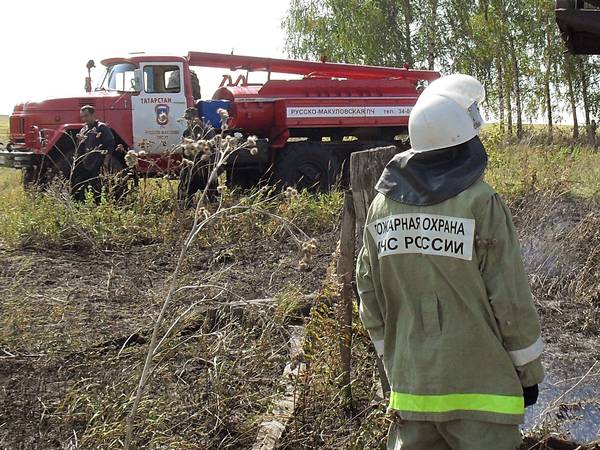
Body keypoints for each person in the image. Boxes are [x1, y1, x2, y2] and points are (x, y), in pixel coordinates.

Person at [356, 74, 544, 450]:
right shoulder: (480, 202)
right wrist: (528, 372)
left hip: (411, 393)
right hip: (481, 396)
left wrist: (392, 358)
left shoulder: (381, 206)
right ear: (464, 139)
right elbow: (509, 297)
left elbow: (368, 294)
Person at [72, 105, 116, 202]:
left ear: (92, 115)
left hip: (97, 163)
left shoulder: (101, 127)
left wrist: (106, 162)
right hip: (86, 164)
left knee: (97, 189)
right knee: (80, 187)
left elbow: (110, 144)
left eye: (86, 116)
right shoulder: (84, 129)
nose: (84, 119)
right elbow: (80, 148)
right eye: (82, 117)